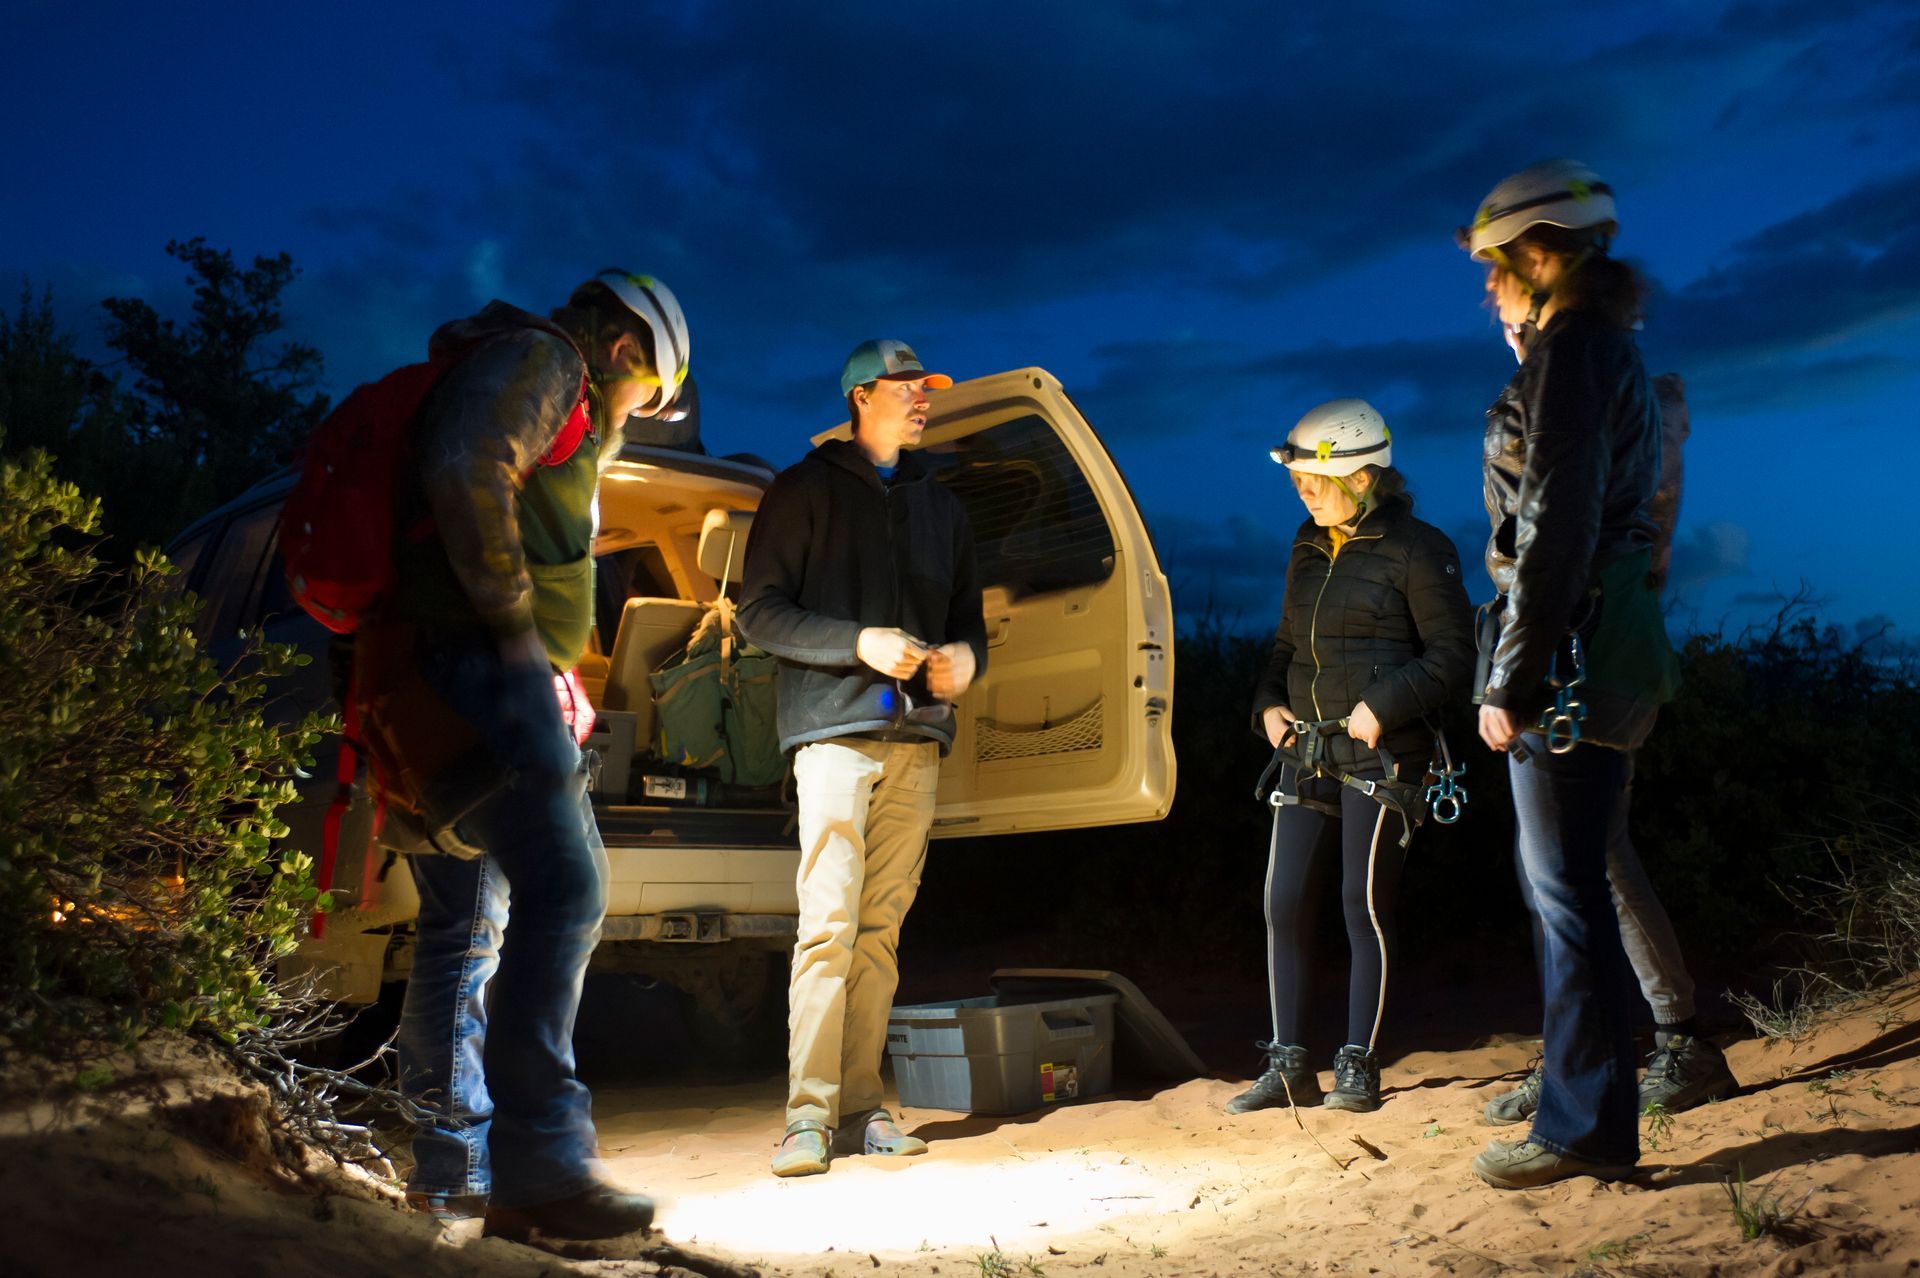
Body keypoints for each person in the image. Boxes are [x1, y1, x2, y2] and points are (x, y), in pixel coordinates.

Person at [373, 271, 691, 1239]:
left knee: (490, 920)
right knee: (566, 889)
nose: (637, 415)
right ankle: (540, 1171)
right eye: (647, 397)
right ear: (629, 350)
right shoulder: (547, 361)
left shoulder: (524, 363)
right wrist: (517, 637)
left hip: (471, 665)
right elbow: (471, 466)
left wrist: (549, 663)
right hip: (476, 661)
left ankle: (493, 1169)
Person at [1458, 161, 1684, 1189]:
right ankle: (1584, 1101)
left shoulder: (1578, 350)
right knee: (1572, 885)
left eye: (1494, 271)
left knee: (1565, 893)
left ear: (1537, 254)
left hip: (1575, 647)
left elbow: (1555, 518)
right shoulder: (1591, 346)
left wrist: (1514, 675)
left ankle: (1586, 1125)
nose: (1489, 290)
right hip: (1602, 634)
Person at [737, 339, 987, 1177]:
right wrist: (859, 643)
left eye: (927, 389)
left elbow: (969, 625)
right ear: (859, 397)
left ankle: (861, 1107)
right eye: (907, 389)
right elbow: (759, 615)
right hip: (833, 739)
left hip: (916, 741)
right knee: (828, 929)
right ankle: (806, 1117)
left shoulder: (941, 508)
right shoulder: (801, 490)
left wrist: (964, 662)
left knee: (879, 935)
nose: (923, 400)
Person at [1483, 377, 1737, 1128]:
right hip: (1618, 640)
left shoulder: (1569, 395)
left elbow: (1540, 544)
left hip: (1570, 655)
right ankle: (1655, 1044)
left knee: (1564, 877)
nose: (1499, 309)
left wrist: (1508, 677)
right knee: (1598, 862)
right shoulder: (1632, 401)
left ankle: (1605, 1061)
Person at [1231, 399, 1474, 1116]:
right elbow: (1282, 650)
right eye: (1298, 480)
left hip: (1384, 756)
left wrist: (1383, 706)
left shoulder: (1420, 549)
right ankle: (1288, 1065)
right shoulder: (1307, 546)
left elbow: (1453, 654)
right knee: (1281, 901)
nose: (1302, 492)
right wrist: (1267, 705)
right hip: (1306, 749)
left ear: (1365, 478)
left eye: (1313, 479)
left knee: (1360, 903)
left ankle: (1358, 1065)